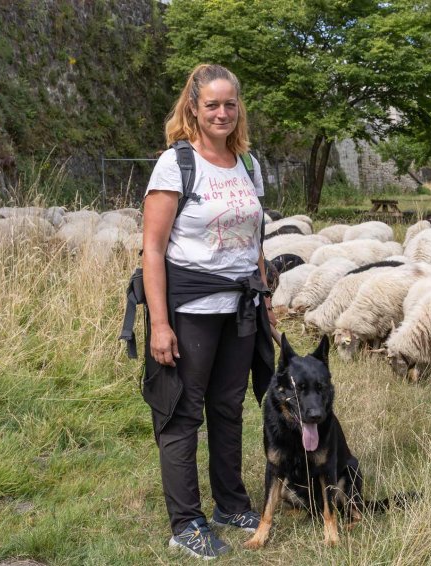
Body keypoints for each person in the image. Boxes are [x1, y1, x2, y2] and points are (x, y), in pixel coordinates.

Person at [142, 64, 276, 559]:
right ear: (193, 108)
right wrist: (159, 322)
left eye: (230, 104)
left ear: (238, 109)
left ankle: (230, 503)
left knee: (229, 405)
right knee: (182, 412)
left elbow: (253, 239)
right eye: (212, 104)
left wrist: (265, 297)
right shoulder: (175, 165)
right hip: (191, 306)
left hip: (241, 305)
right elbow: (152, 250)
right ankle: (185, 523)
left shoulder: (248, 164)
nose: (222, 113)